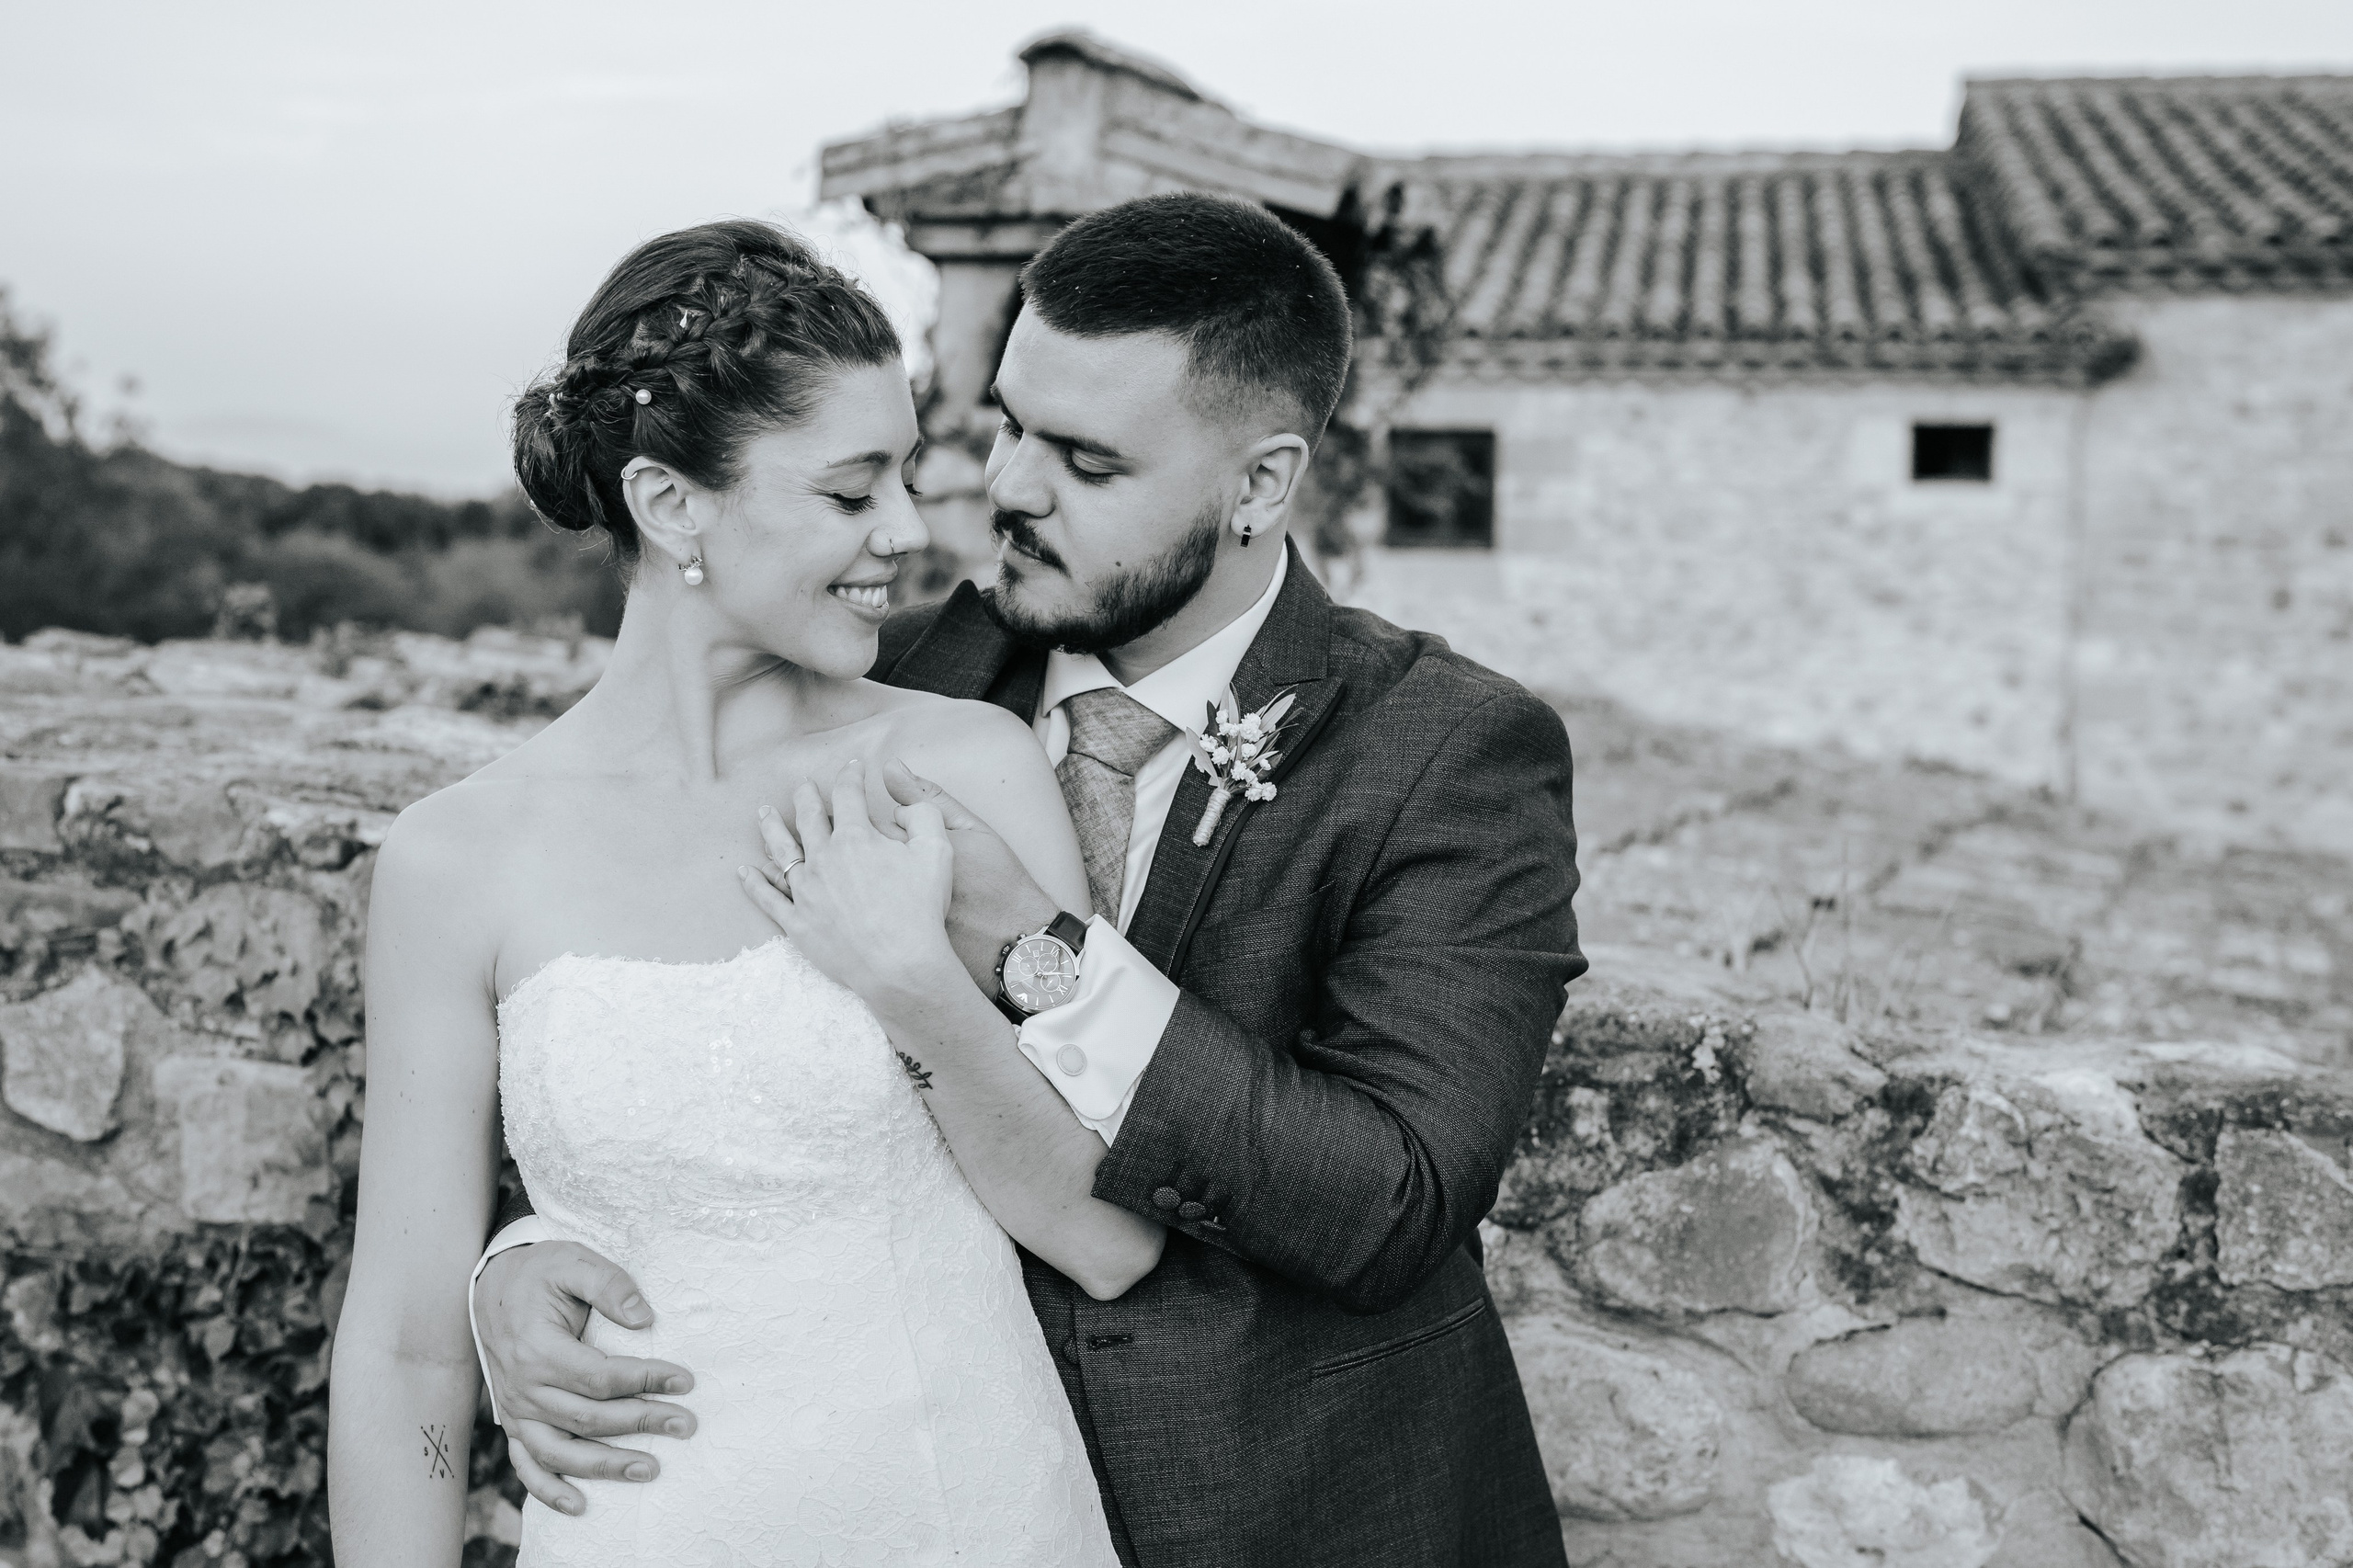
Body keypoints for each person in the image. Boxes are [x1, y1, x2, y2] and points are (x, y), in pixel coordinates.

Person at [473, 193, 1587, 1567]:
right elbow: (699, 1016)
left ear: (1259, 485)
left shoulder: (1447, 750)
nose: (1007, 487)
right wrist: (529, 1253)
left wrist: (1036, 948)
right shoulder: (880, 676)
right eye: (1008, 424)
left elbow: (1393, 1198)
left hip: (1305, 1520)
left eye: (1086, 462)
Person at [325, 220, 1137, 1565]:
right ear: (669, 504)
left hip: (968, 1516)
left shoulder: (965, 770)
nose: (906, 532)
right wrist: (511, 1263)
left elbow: (1107, 1229)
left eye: (907, 478)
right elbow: (408, 1347)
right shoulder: (458, 860)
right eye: (850, 492)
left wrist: (913, 982)